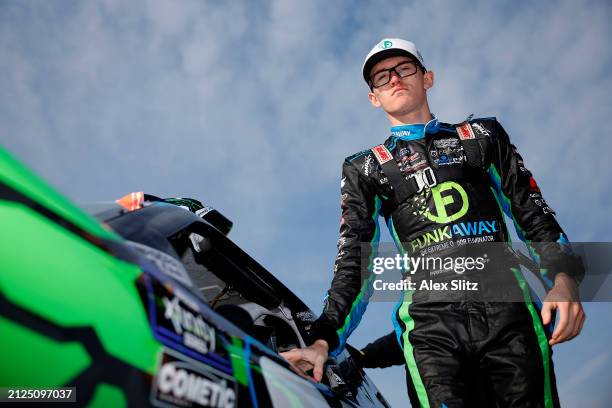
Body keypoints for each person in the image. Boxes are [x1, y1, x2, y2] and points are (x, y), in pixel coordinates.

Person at [281, 38, 585, 407]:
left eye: (404, 69)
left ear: (428, 78)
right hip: (430, 329)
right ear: (373, 97)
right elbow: (354, 264)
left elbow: (532, 213)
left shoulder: (483, 136)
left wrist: (564, 279)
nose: (394, 78)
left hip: (510, 315)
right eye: (381, 77)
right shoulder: (365, 168)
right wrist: (322, 341)